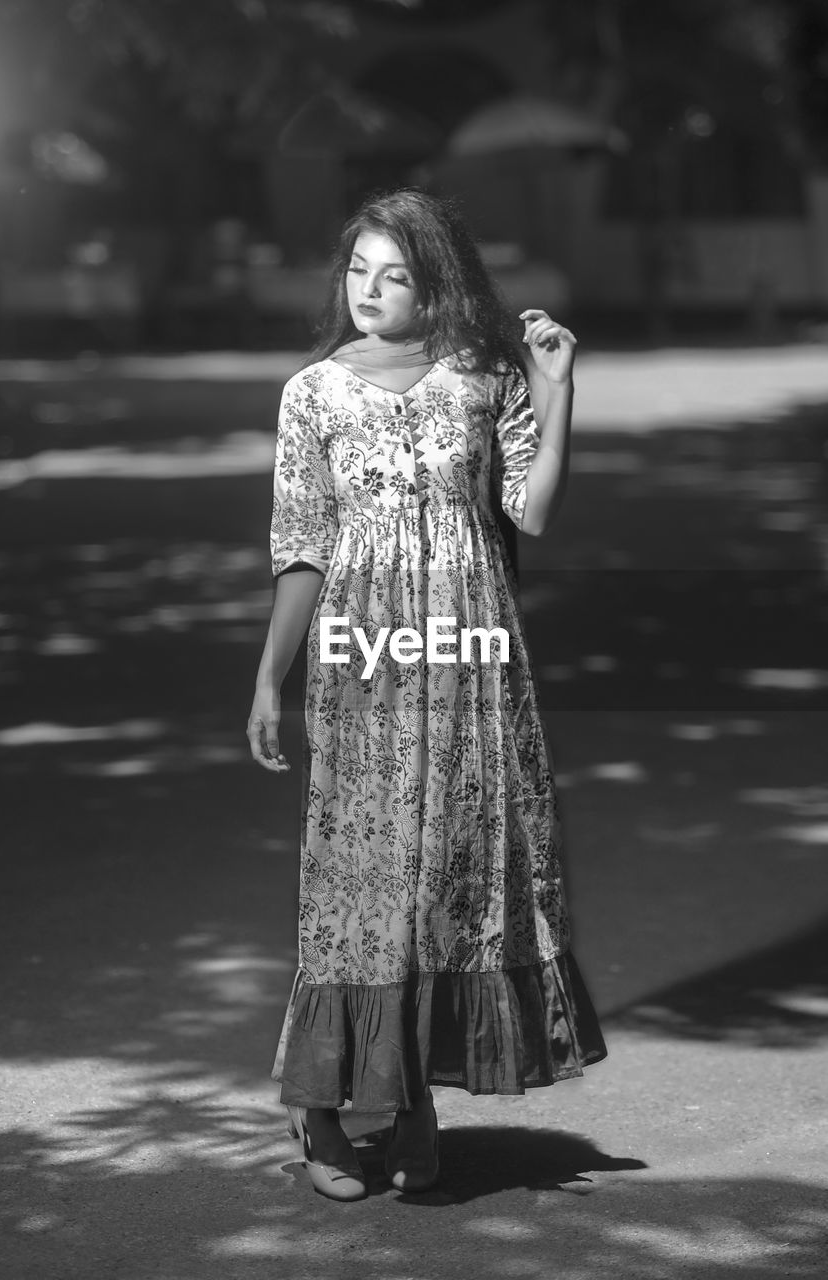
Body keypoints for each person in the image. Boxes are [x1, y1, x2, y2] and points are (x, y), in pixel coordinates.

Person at [248, 188, 606, 1201]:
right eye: (357, 269)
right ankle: (320, 1107)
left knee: (445, 881)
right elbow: (301, 544)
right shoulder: (313, 393)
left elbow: (529, 513)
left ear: (435, 279)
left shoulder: (483, 380)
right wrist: (269, 676)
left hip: (470, 660)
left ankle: (411, 1103)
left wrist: (557, 385)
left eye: (394, 272)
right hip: (363, 659)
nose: (369, 290)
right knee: (358, 887)